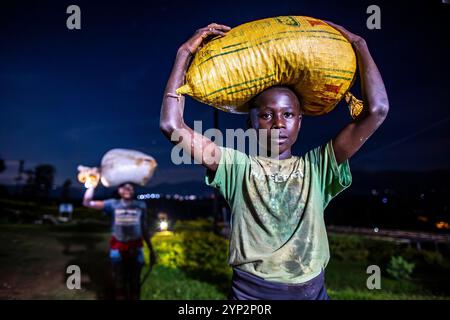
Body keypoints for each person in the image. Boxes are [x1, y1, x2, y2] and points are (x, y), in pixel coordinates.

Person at [160, 21, 389, 300]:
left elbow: (377, 110)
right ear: (251, 122)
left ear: (300, 122)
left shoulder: (318, 167)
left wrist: (360, 44)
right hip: (250, 295)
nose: (278, 124)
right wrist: (184, 53)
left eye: (288, 115)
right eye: (267, 115)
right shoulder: (237, 168)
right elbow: (172, 126)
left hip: (312, 292)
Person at [83, 182, 156, 300]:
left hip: (136, 248)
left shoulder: (141, 205)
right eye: (124, 187)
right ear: (119, 190)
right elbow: (87, 202)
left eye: (131, 187)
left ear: (134, 190)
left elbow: (144, 227)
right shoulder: (112, 204)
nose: (127, 189)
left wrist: (151, 249)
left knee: (135, 281)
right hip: (117, 248)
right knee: (119, 280)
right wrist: (92, 185)